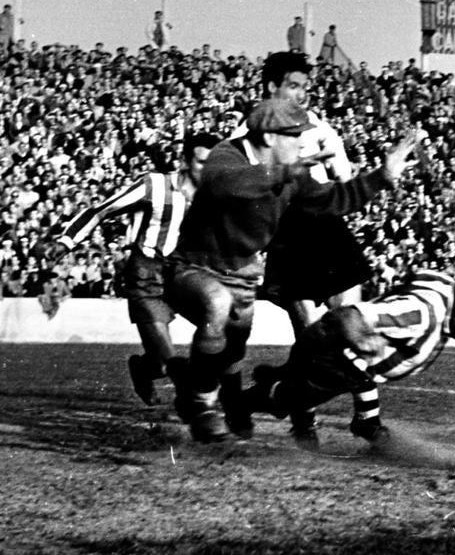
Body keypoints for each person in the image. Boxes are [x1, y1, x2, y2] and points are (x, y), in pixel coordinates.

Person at [167, 98, 418, 444]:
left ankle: (189, 381)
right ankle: (201, 405)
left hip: (242, 275)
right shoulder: (227, 154)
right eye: (295, 135)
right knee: (216, 305)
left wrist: (381, 177)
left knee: (231, 349)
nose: (302, 143)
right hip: (195, 265)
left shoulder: (292, 174)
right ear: (269, 137)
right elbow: (227, 185)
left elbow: (334, 200)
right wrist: (287, 173)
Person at [247, 51, 383, 450]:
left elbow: (343, 177)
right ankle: (303, 422)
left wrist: (337, 168)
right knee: (308, 338)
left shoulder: (320, 126)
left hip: (328, 227)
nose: (303, 94)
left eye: (306, 87)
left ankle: (368, 417)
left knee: (354, 325)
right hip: (289, 233)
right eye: (294, 85)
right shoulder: (252, 130)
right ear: (272, 87)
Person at [242, 264, 455, 447]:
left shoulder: (442, 287)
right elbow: (348, 318)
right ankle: (239, 402)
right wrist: (367, 344)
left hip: (338, 354)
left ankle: (357, 422)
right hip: (332, 349)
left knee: (356, 375)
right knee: (303, 392)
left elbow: (425, 274)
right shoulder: (424, 314)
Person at [46, 133, 217, 405]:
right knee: (165, 362)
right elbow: (100, 210)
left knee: (220, 329)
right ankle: (180, 394)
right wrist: (67, 241)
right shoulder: (155, 186)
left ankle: (158, 372)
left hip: (184, 275)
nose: (209, 170)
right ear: (184, 161)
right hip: (146, 275)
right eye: (201, 162)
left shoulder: (215, 197)